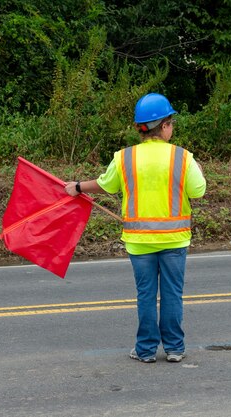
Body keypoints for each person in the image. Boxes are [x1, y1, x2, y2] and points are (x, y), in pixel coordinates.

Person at [64, 93, 206, 363]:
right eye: (171, 123)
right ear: (163, 126)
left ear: (141, 128)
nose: (172, 128)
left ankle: (145, 350)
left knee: (146, 296)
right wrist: (199, 169)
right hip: (174, 240)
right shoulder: (183, 157)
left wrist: (78, 187)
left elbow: (105, 184)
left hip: (139, 241)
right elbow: (198, 191)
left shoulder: (124, 158)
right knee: (172, 294)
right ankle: (175, 348)